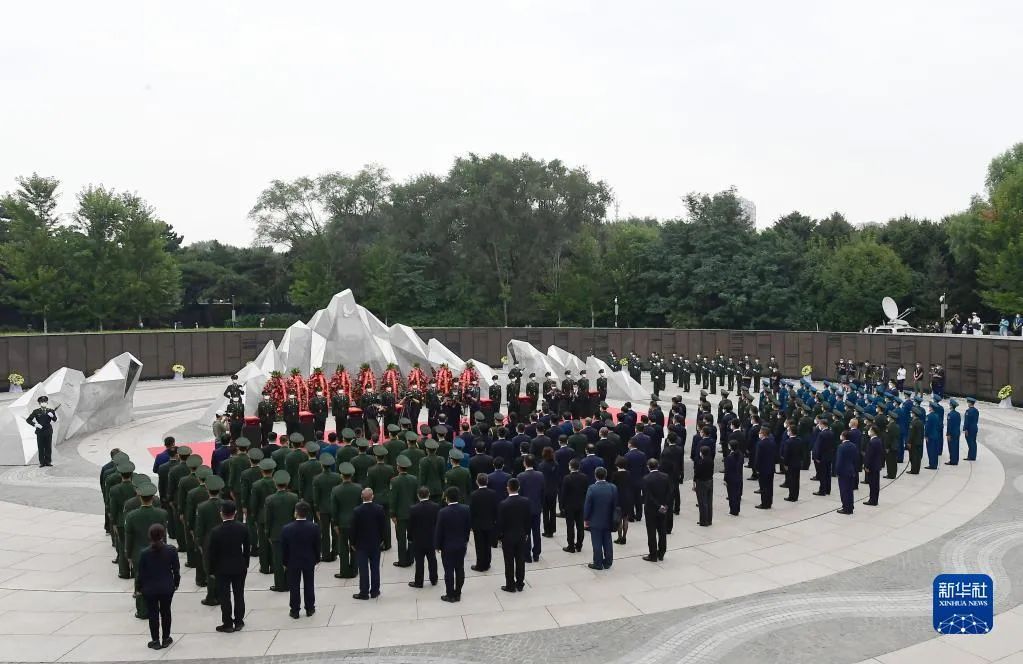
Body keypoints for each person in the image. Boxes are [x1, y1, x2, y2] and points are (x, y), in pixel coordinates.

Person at [206, 501, 250, 633]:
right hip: (239, 566)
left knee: (224, 597)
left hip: (221, 568)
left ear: (221, 514)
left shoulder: (215, 531)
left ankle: (227, 623)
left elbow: (211, 553)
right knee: (239, 594)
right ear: (235, 513)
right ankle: (239, 621)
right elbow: (247, 548)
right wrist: (245, 563)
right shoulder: (243, 528)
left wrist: (211, 570)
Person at [137, 523, 179, 650]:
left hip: (150, 588)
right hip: (167, 587)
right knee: (166, 612)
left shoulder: (144, 553)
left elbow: (140, 573)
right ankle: (166, 638)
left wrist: (138, 588)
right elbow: (176, 570)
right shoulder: (171, 550)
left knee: (153, 613)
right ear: (163, 535)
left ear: (150, 536)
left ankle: (155, 640)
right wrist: (176, 583)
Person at [281, 501, 320, 619]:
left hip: (293, 561)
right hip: (309, 560)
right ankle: (310, 608)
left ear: (296, 513)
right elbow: (317, 545)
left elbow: (284, 548)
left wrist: (284, 562)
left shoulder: (286, 528)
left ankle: (294, 610)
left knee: (294, 586)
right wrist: (317, 558)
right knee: (309, 584)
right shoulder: (314, 527)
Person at [435, 487, 471, 602]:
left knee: (448, 571)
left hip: (447, 546)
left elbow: (439, 530)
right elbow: (467, 527)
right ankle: (458, 593)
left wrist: (437, 545)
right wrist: (465, 540)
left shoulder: (443, 512)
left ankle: (450, 594)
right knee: (460, 569)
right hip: (461, 544)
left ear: (446, 498)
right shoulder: (466, 509)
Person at [350, 487, 386, 599]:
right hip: (375, 543)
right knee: (375, 568)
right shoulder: (379, 509)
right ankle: (375, 591)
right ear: (372, 496)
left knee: (363, 569)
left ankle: (364, 592)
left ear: (362, 497)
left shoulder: (357, 510)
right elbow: (383, 527)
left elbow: (353, 529)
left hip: (361, 545)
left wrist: (352, 543)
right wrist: (382, 540)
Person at [497, 477, 531, 592]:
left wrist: (499, 537)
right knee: (520, 559)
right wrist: (526, 532)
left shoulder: (503, 504)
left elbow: (500, 523)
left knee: (509, 562)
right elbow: (528, 519)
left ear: (508, 488)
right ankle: (520, 583)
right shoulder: (525, 502)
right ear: (519, 488)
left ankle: (510, 585)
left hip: (508, 537)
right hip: (521, 535)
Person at [583, 466, 618, 570]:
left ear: (595, 476)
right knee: (607, 541)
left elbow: (587, 505)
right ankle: (608, 562)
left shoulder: (592, 488)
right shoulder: (613, 487)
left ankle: (597, 563)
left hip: (595, 520)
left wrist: (586, 518)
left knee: (597, 542)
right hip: (609, 519)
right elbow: (615, 504)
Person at [408, 486, 441, 587]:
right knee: (432, 560)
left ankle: (419, 582)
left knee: (419, 562)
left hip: (418, 540)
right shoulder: (436, 507)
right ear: (429, 494)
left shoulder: (413, 509)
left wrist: (410, 538)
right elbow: (438, 523)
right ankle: (434, 579)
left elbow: (410, 526)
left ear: (418, 496)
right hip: (431, 538)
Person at [641, 458, 670, 561]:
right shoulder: (665, 476)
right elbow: (669, 492)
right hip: (663, 508)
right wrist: (664, 505)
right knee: (662, 531)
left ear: (648, 466)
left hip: (651, 509)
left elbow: (648, 496)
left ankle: (653, 554)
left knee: (651, 532)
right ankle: (661, 553)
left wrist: (658, 506)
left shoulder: (646, 478)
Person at [468, 473, 498, 572]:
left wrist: (471, 524)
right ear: (487, 481)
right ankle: (487, 563)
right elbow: (495, 509)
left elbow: (471, 511)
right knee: (487, 544)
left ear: (477, 482)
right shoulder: (493, 493)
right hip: (489, 523)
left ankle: (480, 565)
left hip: (478, 524)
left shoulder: (473, 495)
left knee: (479, 545)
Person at [560, 458, 589, 553]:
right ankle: (579, 545)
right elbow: (586, 491)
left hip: (569, 505)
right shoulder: (584, 477)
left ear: (570, 467)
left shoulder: (567, 478)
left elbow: (563, 494)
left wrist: (562, 506)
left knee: (570, 526)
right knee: (580, 526)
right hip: (580, 504)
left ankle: (571, 546)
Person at [25, 395, 58, 467]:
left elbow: (55, 420)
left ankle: (48, 461)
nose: (44, 403)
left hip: (48, 431)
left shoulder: (51, 411)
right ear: (39, 403)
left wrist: (52, 416)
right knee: (41, 447)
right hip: (40, 431)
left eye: (45, 402)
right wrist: (35, 424)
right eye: (42, 402)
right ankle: (42, 462)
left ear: (47, 402)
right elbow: (28, 420)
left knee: (48, 447)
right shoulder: (36, 411)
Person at [835, 432, 858, 515]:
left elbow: (839, 461)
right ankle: (850, 506)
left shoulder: (841, 447)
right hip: (851, 470)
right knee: (850, 491)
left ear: (843, 437)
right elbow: (856, 459)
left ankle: (846, 508)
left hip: (843, 471)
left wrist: (837, 471)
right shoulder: (853, 446)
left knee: (844, 491)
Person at [754, 427, 776, 509]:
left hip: (763, 469)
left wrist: (756, 468)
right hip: (770, 468)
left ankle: (764, 503)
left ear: (763, 434)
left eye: (760, 432)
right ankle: (769, 502)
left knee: (763, 487)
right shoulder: (772, 442)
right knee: (770, 487)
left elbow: (758, 458)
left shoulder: (760, 444)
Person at [693, 445, 714, 526]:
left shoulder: (700, 462)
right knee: (709, 501)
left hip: (701, 482)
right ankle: (709, 520)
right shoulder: (710, 460)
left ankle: (703, 521)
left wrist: (694, 482)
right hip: (710, 481)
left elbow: (697, 473)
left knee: (702, 502)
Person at [863, 425, 884, 506]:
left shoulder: (873, 442)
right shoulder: (878, 440)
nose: (869, 431)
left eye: (870, 430)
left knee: (873, 484)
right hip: (876, 465)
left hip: (872, 466)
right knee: (875, 484)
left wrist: (866, 466)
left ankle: (872, 500)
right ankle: (874, 499)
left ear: (873, 432)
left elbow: (869, 455)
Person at [723, 440, 743, 515]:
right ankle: (737, 509)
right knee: (737, 495)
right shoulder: (740, 454)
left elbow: (727, 470)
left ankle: (733, 511)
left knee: (732, 495)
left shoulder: (730, 457)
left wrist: (725, 479)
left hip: (731, 478)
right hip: (738, 477)